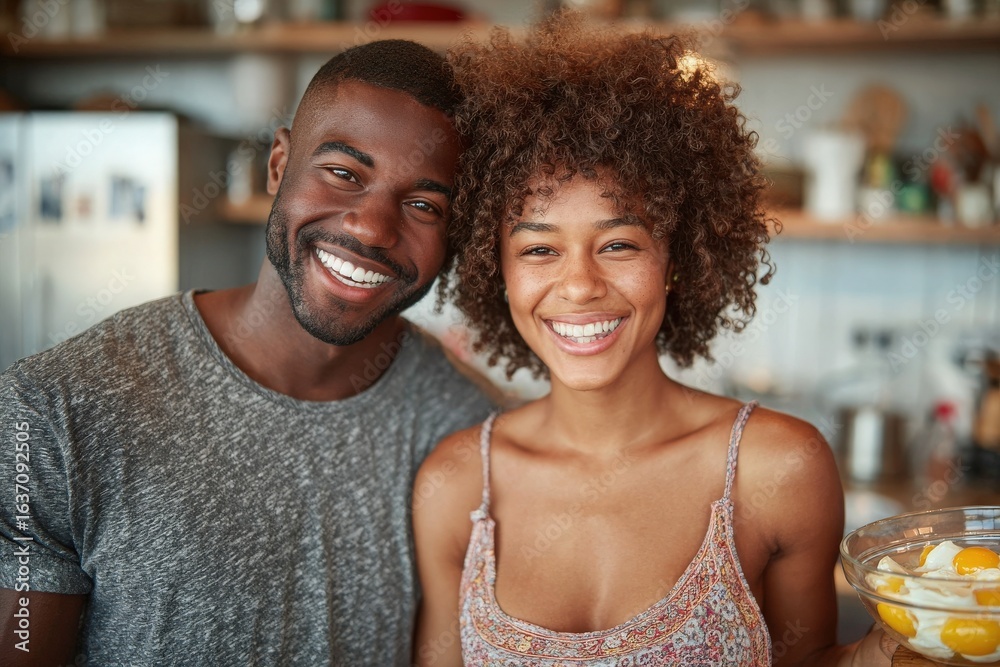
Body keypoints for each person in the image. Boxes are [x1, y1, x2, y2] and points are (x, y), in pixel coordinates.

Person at [413, 14, 895, 666]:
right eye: (539, 247)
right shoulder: (456, 486)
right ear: (492, 265)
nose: (579, 285)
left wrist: (888, 650)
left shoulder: (777, 469)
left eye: (618, 243)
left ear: (675, 256)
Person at [0, 40, 494, 666]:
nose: (372, 227)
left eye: (424, 204)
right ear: (278, 164)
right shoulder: (54, 412)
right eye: (344, 173)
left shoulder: (465, 428)